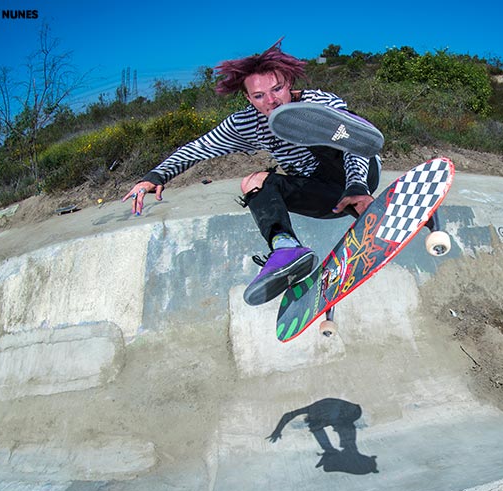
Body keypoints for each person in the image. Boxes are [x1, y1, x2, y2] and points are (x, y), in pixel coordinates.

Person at [122, 41, 379, 306]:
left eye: (277, 89)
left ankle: (359, 199)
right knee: (253, 183)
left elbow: (357, 142)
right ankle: (286, 250)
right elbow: (200, 147)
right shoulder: (247, 124)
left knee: (314, 124)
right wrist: (156, 176)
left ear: (289, 82)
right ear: (248, 98)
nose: (271, 101)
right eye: (259, 96)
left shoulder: (319, 102)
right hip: (326, 197)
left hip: (360, 176)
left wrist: (357, 183)